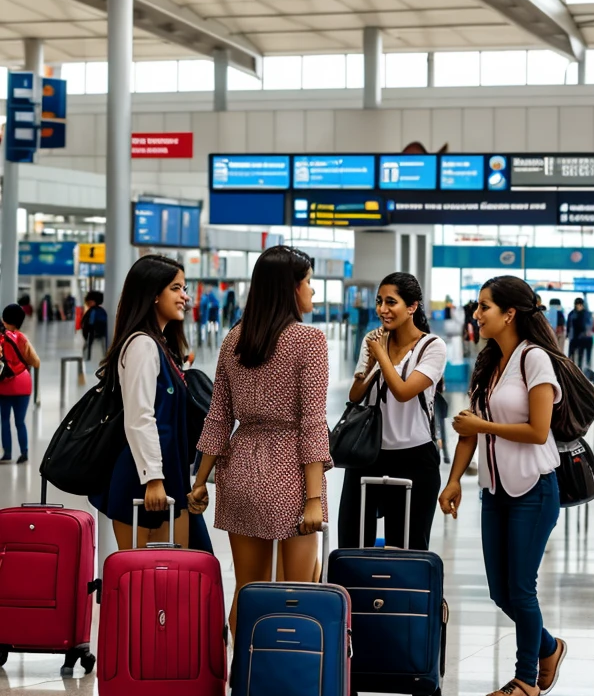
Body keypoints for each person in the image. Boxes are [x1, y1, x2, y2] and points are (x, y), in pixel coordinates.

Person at [439, 275, 566, 696]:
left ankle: (526, 678)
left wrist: (481, 425)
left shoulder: (536, 361)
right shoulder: (489, 362)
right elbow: (468, 434)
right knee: (499, 591)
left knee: (521, 588)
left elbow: (538, 430)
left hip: (534, 488)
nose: (476, 314)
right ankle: (548, 646)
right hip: (495, 492)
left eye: (484, 307)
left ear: (509, 313)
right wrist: (454, 478)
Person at [189, 246, 329, 635]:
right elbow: (312, 423)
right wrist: (314, 499)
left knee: (247, 590)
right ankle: (286, 682)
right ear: (291, 288)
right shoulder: (309, 340)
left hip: (240, 472)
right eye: (308, 283)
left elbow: (218, 416)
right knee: (296, 594)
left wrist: (200, 483)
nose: (312, 292)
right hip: (290, 475)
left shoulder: (235, 338)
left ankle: (243, 680)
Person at [337, 272, 447, 551]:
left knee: (407, 547)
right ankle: (354, 595)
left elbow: (404, 390)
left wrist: (382, 355)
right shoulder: (372, 341)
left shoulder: (432, 347)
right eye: (379, 302)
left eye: (391, 302)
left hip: (414, 458)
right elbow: (355, 395)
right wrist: (372, 362)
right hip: (367, 455)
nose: (382, 309)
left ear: (412, 307)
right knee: (353, 541)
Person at [89, 255, 192, 549]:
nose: (184, 296)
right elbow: (140, 417)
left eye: (183, 288)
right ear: (154, 294)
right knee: (144, 582)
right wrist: (153, 480)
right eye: (176, 288)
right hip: (144, 478)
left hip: (163, 473)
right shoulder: (142, 345)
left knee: (171, 578)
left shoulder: (160, 345)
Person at [0, 304, 40, 464]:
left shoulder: (1, 338)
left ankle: (7, 453)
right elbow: (35, 362)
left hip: (4, 384)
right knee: (20, 421)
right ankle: (24, 453)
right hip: (23, 383)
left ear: (4, 318)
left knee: (4, 420)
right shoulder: (22, 338)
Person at [567, 297, 593, 369]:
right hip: (574, 337)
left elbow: (589, 325)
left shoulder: (586, 313)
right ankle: (572, 368)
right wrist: (568, 333)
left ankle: (580, 369)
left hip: (582, 338)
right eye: (577, 304)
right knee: (572, 354)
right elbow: (569, 325)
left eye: (580, 304)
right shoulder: (572, 314)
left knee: (581, 355)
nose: (578, 306)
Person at [82, 291, 108, 361]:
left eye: (89, 302)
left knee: (90, 350)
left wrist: (87, 333)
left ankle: (88, 359)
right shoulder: (102, 311)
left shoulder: (93, 311)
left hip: (92, 334)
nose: (87, 304)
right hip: (102, 335)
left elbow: (89, 323)